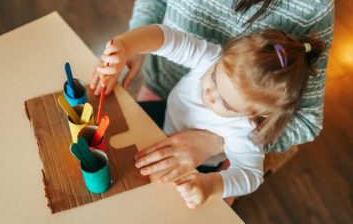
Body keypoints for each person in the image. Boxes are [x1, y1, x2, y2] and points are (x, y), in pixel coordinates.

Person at [91, 0, 334, 185]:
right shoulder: (209, 59)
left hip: (217, 149)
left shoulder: (313, 3)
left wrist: (216, 142)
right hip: (161, 89)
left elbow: (306, 123)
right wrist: (130, 44)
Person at [92, 24, 325, 208]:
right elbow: (165, 37)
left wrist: (211, 185)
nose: (209, 94)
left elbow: (251, 175)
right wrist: (126, 45)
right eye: (213, 78)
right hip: (164, 116)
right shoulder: (210, 58)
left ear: (255, 114)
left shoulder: (244, 131)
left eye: (225, 102)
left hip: (196, 165)